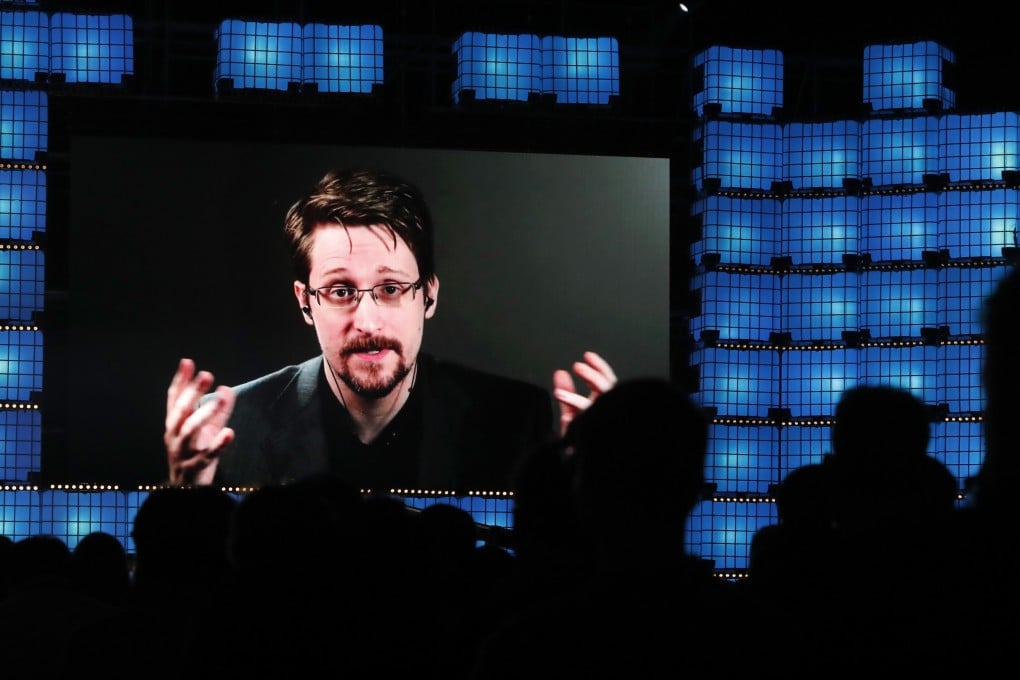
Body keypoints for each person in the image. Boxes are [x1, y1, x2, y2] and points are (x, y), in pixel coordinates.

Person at [163, 167, 617, 492]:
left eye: (391, 288)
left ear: (428, 296)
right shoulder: (227, 428)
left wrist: (594, 489)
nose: (367, 321)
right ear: (305, 302)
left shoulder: (516, 422)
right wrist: (186, 496)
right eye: (340, 290)